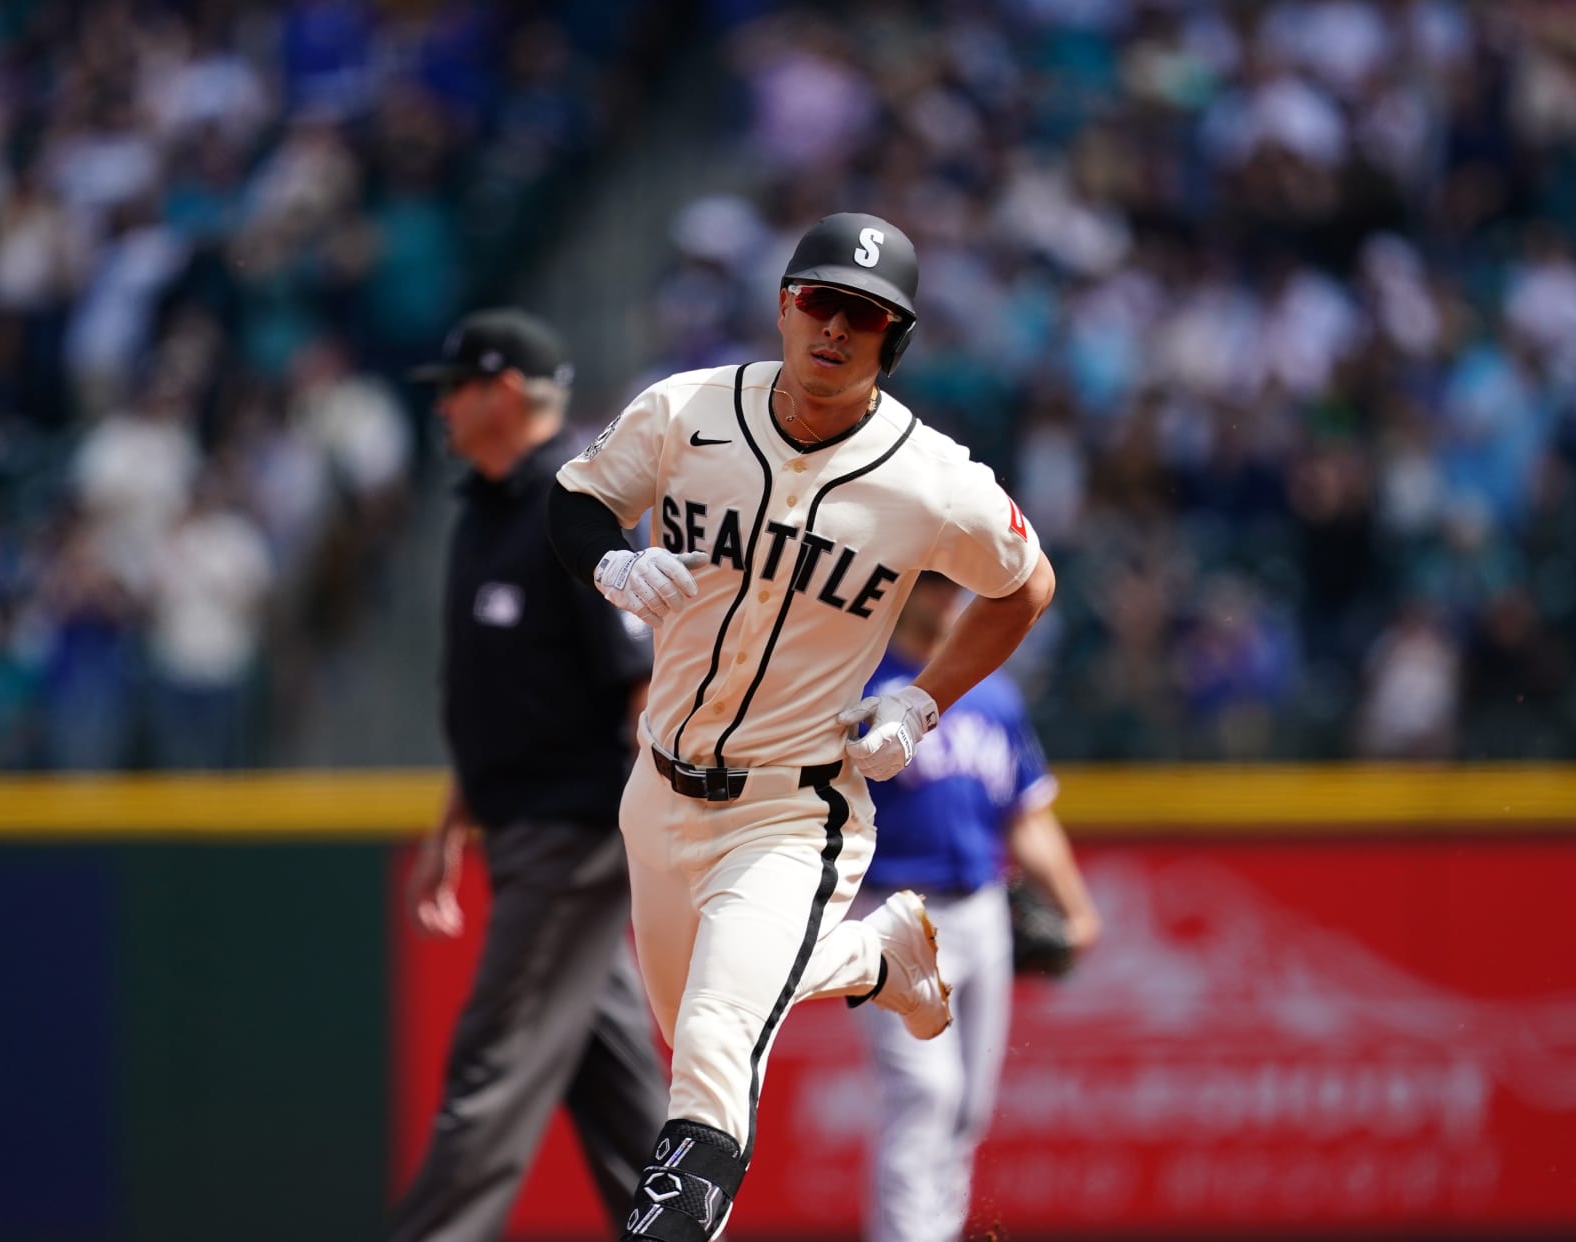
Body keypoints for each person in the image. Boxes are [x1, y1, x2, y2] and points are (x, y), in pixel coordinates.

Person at [545, 213, 1058, 1242]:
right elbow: (575, 501)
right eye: (821, 302)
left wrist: (922, 699)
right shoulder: (687, 410)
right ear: (785, 304)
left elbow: (1026, 584)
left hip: (796, 807)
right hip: (658, 788)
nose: (836, 329)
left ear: (893, 342)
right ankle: (874, 958)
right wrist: (607, 560)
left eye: (865, 317)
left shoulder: (931, 478)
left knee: (715, 1040)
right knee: (692, 1016)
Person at [388, 309, 668, 1242]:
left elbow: (639, 686)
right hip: (518, 827)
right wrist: (450, 826)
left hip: (575, 835)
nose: (443, 409)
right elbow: (495, 700)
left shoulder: (570, 514)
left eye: (456, 389)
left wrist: (665, 832)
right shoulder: (484, 510)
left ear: (505, 394)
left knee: (492, 1066)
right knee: (621, 1090)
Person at [851, 571, 1099, 1242]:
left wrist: (1075, 907)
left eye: (954, 587)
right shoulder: (862, 685)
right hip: (890, 911)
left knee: (966, 1108)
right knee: (924, 1094)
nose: (946, 598)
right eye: (931, 585)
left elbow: (1027, 815)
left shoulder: (993, 694)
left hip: (983, 908)